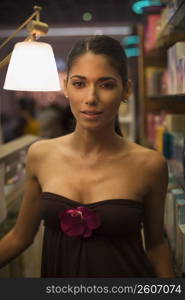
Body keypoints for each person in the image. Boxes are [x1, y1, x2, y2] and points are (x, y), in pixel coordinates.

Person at [0, 35, 175, 278]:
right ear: (66, 87)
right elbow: (20, 237)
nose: (91, 98)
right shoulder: (41, 154)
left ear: (126, 89)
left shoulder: (149, 164)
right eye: (80, 83)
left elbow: (156, 245)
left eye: (106, 84)